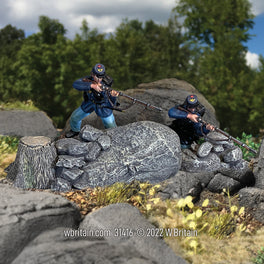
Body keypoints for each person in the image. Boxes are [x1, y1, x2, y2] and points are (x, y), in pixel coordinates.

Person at [66, 63, 119, 138]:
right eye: (97, 76)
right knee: (75, 117)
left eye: (101, 77)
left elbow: (109, 99)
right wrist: (92, 86)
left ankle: (115, 136)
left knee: (110, 123)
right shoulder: (88, 80)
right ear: (92, 74)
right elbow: (75, 84)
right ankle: (75, 131)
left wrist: (112, 95)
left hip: (103, 106)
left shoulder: (107, 82)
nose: (99, 79)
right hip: (90, 103)